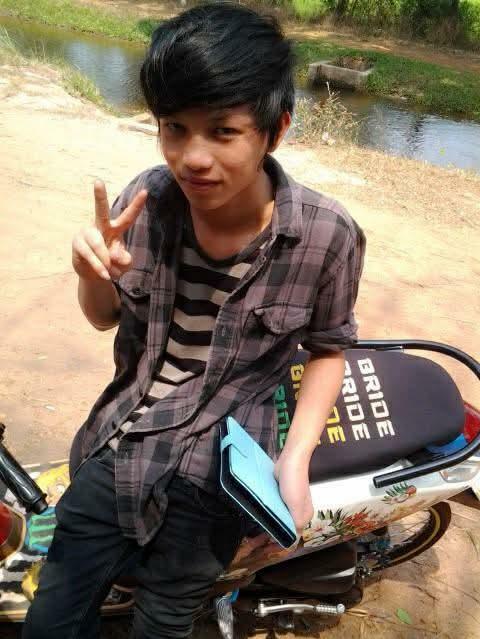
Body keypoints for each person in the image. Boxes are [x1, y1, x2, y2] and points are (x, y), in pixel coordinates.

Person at [23, 3, 365, 638]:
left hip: (219, 469)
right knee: (53, 615)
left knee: (167, 619)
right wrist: (90, 272)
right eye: (174, 128)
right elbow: (102, 318)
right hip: (123, 441)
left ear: (275, 131)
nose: (193, 158)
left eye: (223, 131)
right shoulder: (147, 203)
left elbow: (328, 349)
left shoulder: (326, 235)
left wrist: (294, 461)